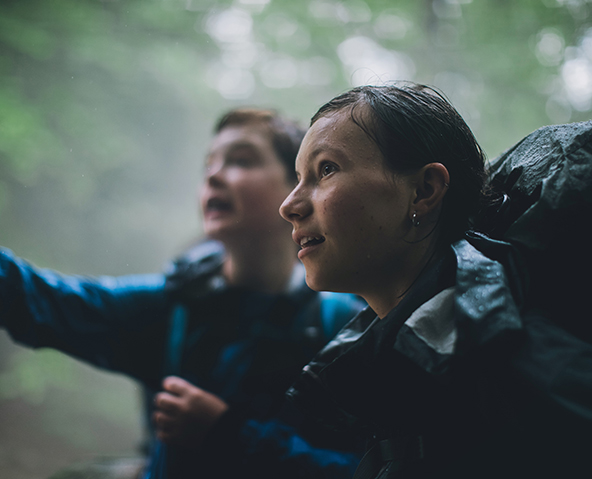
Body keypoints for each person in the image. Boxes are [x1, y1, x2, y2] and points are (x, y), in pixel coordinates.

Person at [0, 108, 365, 479]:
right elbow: (39, 301)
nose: (213, 174)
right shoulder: (171, 304)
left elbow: (371, 469)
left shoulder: (345, 326)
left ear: (297, 187)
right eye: (209, 163)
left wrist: (227, 435)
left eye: (241, 160)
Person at [279, 83, 592, 478]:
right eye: (298, 177)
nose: (288, 205)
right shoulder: (409, 361)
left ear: (424, 191)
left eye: (326, 169)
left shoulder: (510, 359)